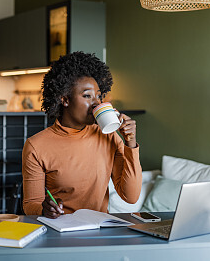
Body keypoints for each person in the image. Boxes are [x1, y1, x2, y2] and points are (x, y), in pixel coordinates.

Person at [22, 51, 142, 218]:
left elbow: (131, 197)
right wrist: (44, 209)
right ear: (65, 100)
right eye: (87, 96)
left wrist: (130, 143)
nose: (96, 103)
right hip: (60, 231)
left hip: (99, 231)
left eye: (99, 96)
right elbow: (30, 204)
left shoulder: (108, 136)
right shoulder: (36, 146)